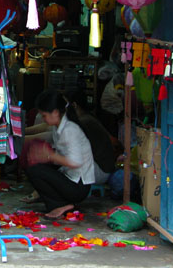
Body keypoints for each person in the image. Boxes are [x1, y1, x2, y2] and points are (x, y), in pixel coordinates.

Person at [23, 89, 95, 219]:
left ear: (55, 113)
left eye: (44, 115)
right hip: (70, 177)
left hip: (78, 186)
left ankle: (61, 205)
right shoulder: (58, 127)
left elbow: (75, 161)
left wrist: (49, 156)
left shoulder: (70, 130)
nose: (43, 119)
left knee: (35, 170)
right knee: (34, 166)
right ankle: (62, 204)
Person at [65, 90, 117, 185]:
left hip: (101, 171)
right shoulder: (87, 118)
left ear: (74, 105)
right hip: (101, 168)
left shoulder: (85, 122)